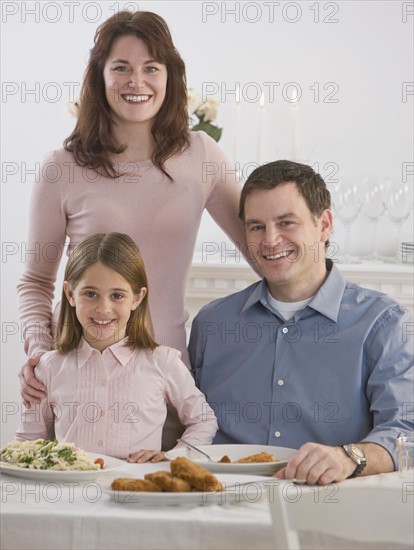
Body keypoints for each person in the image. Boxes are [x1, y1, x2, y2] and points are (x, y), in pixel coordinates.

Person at [17, 11, 246, 448]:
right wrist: (39, 353)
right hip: (74, 385)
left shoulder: (202, 155)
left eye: (151, 68)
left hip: (163, 389)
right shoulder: (61, 167)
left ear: (170, 77)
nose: (135, 81)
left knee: (159, 510)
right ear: (99, 77)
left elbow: (260, 246)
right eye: (120, 67)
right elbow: (34, 282)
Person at [189, 160, 413, 485]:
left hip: (326, 509)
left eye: (286, 222)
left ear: (324, 225)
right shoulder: (211, 323)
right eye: (256, 226)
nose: (270, 239)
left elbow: (406, 430)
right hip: (214, 503)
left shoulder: (383, 324)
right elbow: (181, 420)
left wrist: (350, 456)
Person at [16, 233, 217, 462]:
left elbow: (203, 420)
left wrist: (172, 457)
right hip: (71, 493)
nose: (103, 308)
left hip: (139, 490)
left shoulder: (164, 362)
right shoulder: (48, 368)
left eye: (117, 295)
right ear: (70, 294)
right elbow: (28, 440)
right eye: (90, 294)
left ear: (137, 298)